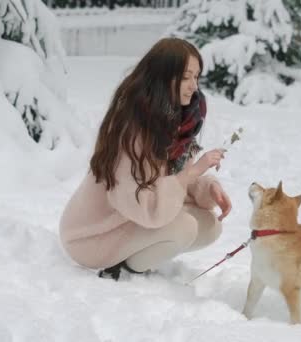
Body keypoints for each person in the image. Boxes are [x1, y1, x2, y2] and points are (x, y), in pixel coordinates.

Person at [59, 38, 232, 281]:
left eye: (197, 77)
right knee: (185, 227)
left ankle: (138, 256)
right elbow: (146, 206)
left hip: (131, 220)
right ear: (163, 78)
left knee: (210, 225)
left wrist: (206, 188)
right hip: (93, 235)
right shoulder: (131, 130)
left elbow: (169, 180)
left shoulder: (178, 121)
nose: (194, 86)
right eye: (186, 77)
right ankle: (125, 271)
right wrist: (193, 172)